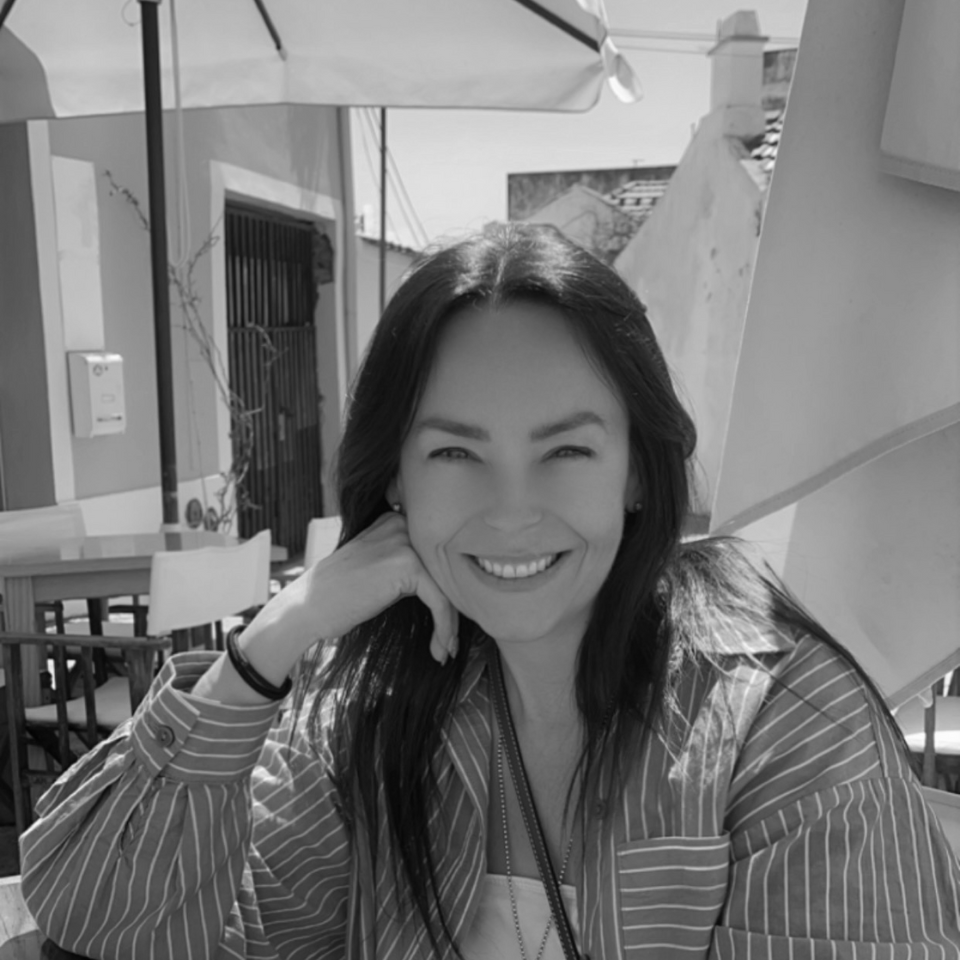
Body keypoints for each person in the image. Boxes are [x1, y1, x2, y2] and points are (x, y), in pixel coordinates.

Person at [20, 223, 960, 960]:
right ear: (395, 478)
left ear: (637, 472)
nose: (512, 513)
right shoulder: (372, 712)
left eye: (566, 451)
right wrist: (277, 636)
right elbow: (112, 917)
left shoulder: (777, 727)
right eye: (456, 452)